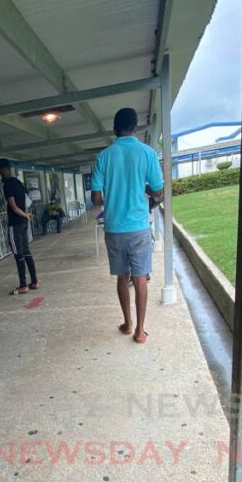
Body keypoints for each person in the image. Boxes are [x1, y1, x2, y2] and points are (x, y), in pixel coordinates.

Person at [91, 107, 163, 344]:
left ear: (114, 129)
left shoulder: (103, 156)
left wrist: (112, 195)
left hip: (114, 228)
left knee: (122, 277)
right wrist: (142, 189)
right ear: (136, 128)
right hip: (139, 226)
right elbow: (158, 190)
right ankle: (141, 331)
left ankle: (127, 323)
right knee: (141, 278)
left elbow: (96, 199)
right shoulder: (147, 153)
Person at [0, 159, 40, 295]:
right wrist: (26, 214)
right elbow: (26, 201)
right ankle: (34, 282)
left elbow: (14, 207)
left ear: (2, 169)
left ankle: (22, 285)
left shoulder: (7, 185)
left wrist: (25, 215)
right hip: (24, 224)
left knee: (18, 254)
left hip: (15, 224)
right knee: (26, 252)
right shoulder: (18, 182)